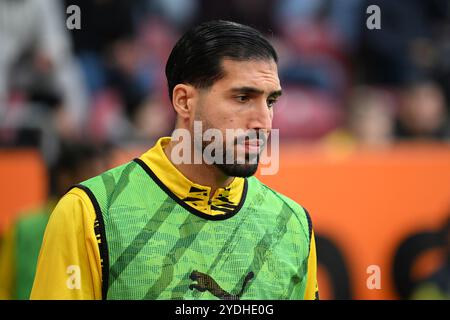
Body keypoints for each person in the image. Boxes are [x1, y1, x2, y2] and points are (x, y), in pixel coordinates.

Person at [31, 20, 319, 300]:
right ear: (184, 101)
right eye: (243, 98)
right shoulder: (89, 213)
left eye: (270, 102)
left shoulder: (293, 224)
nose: (264, 123)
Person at [0, 141, 107, 299]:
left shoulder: (107, 227)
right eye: (92, 175)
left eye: (104, 176)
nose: (101, 186)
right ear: (65, 177)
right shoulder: (24, 228)